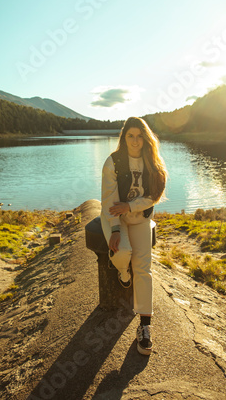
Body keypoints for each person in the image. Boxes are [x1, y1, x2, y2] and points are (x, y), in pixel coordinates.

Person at [101, 116, 167, 355]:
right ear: (124, 137)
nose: (136, 141)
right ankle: (122, 272)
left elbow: (154, 196)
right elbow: (108, 199)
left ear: (146, 138)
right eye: (131, 135)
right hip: (114, 216)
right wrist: (115, 228)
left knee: (144, 269)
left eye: (140, 135)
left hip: (140, 218)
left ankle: (145, 327)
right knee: (123, 252)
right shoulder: (113, 162)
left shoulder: (152, 162)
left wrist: (130, 207)